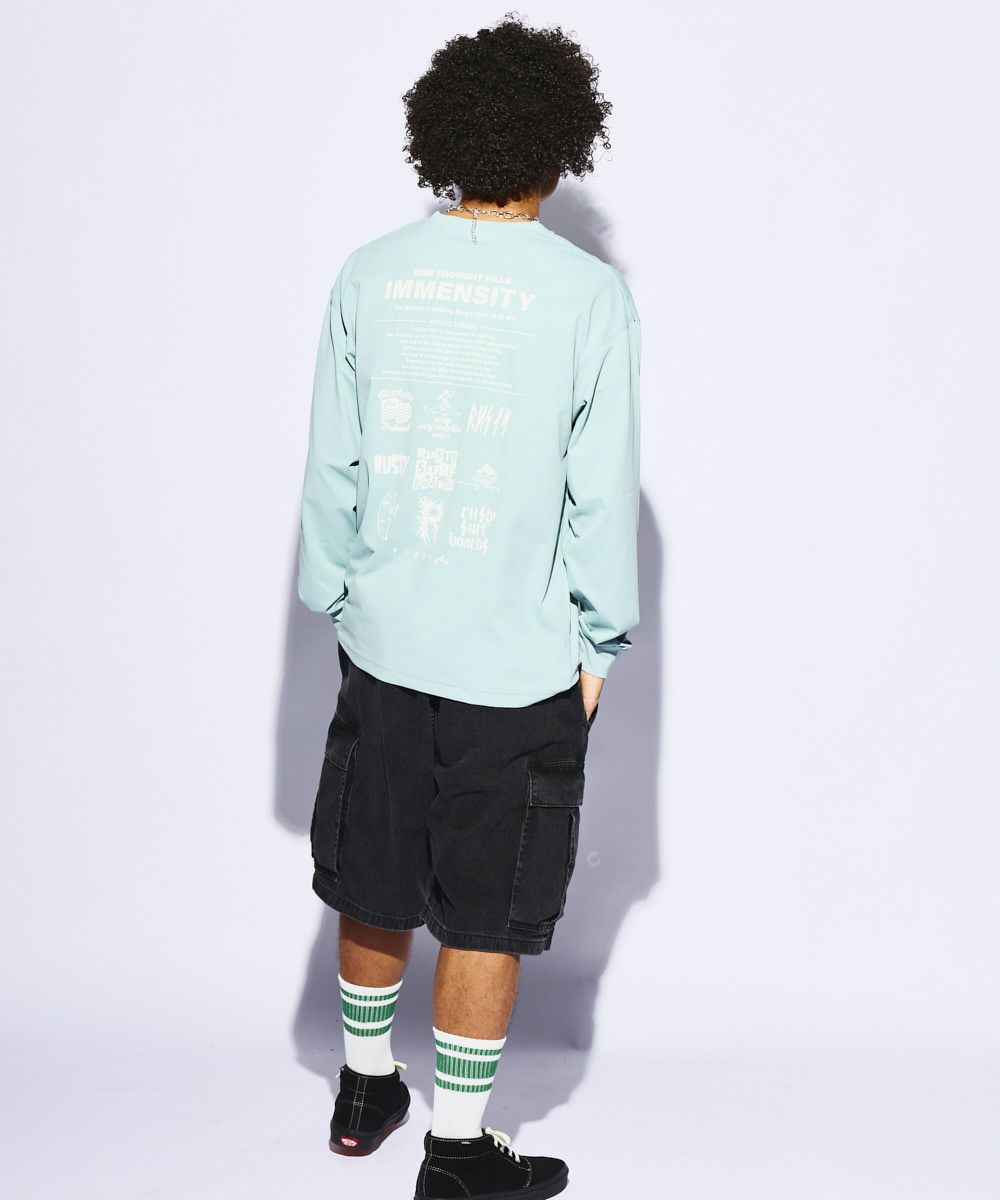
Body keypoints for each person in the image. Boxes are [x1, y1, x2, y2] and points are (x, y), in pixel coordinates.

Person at [296, 13, 641, 1199]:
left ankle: (361, 1089)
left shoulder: (372, 271)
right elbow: (601, 491)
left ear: (441, 137)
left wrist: (340, 598)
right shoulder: (587, 296)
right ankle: (454, 1150)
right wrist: (599, 642)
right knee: (486, 908)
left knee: (374, 870)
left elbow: (331, 462)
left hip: (387, 641)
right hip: (518, 660)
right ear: (560, 143)